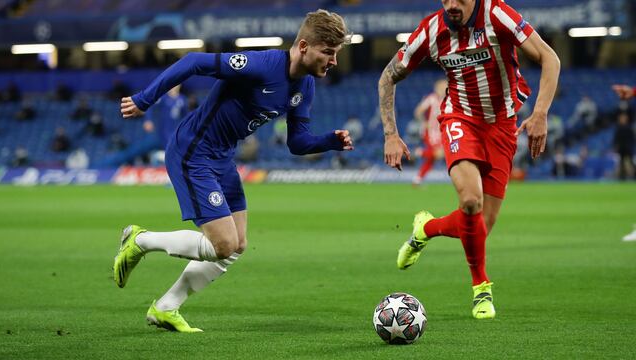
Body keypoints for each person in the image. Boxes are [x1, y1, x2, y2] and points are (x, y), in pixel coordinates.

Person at [114, 9, 354, 332]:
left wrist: (330, 141)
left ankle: (166, 307)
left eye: (336, 53)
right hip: (193, 151)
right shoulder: (262, 66)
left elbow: (296, 142)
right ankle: (140, 241)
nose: (334, 61)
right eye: (328, 52)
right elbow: (193, 62)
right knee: (222, 244)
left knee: (236, 246)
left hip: (223, 158)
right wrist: (145, 99)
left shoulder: (305, 87)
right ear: (303, 47)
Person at [378, 0, 560, 319]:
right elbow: (387, 77)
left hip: (503, 125)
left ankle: (426, 228)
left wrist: (541, 112)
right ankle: (481, 291)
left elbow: (550, 58)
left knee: (480, 225)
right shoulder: (432, 29)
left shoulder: (497, 14)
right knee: (471, 200)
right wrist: (390, 134)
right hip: (459, 118)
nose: (451, 5)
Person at [612, 84, 636, 242]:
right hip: (623, 150)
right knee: (623, 166)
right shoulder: (621, 127)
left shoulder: (626, 128)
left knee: (628, 166)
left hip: (627, 150)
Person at [412, 79, 447, 185]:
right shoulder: (431, 98)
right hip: (430, 132)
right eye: (441, 87)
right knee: (440, 154)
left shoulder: (448, 101)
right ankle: (418, 152)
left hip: (442, 132)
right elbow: (418, 111)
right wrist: (423, 122)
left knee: (432, 159)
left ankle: (417, 179)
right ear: (437, 88)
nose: (443, 89)